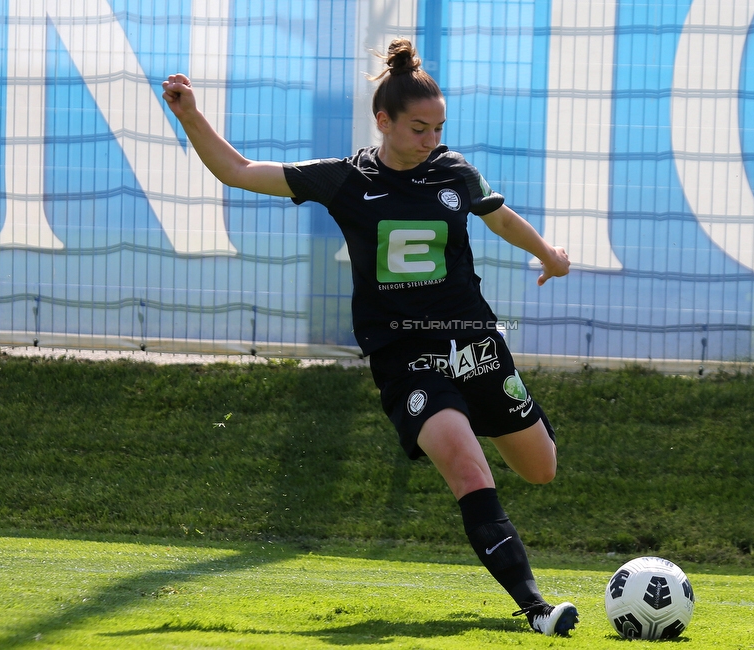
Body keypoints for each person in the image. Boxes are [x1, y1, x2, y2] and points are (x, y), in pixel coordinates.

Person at [162, 38, 578, 636]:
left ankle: (483, 409)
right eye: (418, 128)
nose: (430, 139)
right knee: (467, 465)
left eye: (437, 128)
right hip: (404, 357)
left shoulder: (455, 171)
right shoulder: (345, 181)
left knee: (541, 469)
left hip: (474, 341)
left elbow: (499, 217)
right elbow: (238, 171)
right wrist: (190, 115)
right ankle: (536, 608)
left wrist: (548, 253)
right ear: (383, 120)